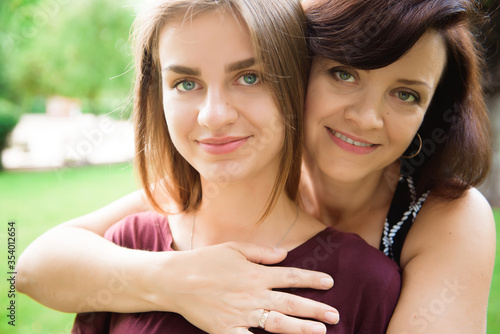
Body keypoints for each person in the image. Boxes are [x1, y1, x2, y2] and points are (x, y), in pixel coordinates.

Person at [16, 0, 495, 333]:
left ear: (430, 112)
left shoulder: (444, 216)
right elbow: (35, 266)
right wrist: (177, 280)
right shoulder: (237, 170)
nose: (367, 118)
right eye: (343, 74)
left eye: (406, 94)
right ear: (299, 69)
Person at [66, 0, 400, 333]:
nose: (213, 115)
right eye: (185, 83)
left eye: (249, 77)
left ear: (298, 85)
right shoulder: (126, 245)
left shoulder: (367, 283)